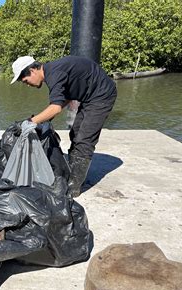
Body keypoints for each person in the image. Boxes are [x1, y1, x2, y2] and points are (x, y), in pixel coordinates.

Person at [10, 55, 117, 197]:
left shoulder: (54, 74)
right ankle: (73, 174)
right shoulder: (52, 72)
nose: (27, 85)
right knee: (76, 133)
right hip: (88, 97)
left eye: (26, 81)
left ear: (32, 70)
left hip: (102, 95)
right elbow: (64, 99)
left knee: (84, 139)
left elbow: (56, 107)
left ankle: (74, 187)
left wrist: (31, 122)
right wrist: (42, 119)